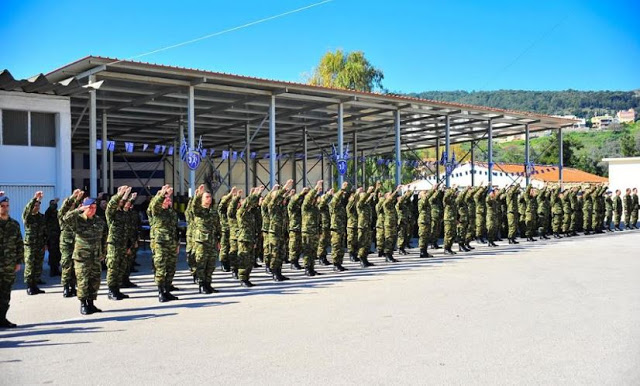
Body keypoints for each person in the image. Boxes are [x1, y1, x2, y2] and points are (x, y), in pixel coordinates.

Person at [62, 196, 108, 315]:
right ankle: (83, 304)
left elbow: (104, 237)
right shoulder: (78, 220)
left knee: (94, 281)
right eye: (90, 208)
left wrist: (103, 251)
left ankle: (91, 303)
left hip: (96, 256)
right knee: (83, 281)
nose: (92, 210)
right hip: (82, 256)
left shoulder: (99, 221)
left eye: (94, 208)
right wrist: (80, 209)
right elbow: (65, 218)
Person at [149, 185, 179, 302]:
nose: (168, 200)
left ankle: (167, 290)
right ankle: (161, 292)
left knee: (171, 267)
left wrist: (176, 243)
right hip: (160, 243)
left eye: (169, 199)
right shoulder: (156, 211)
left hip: (171, 243)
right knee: (160, 267)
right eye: (166, 199)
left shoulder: (171, 213)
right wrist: (162, 194)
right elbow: (155, 204)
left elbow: (175, 229)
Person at [191, 184, 222, 293]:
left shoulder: (213, 212)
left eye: (210, 197)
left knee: (211, 264)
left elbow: (218, 226)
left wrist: (219, 241)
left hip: (212, 241)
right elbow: (194, 206)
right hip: (202, 242)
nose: (209, 199)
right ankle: (201, 285)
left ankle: (208, 284)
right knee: (201, 264)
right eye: (206, 197)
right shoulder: (199, 211)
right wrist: (198, 195)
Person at [0, 193, 23, 328]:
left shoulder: (14, 224)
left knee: (5, 294)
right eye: (2, 206)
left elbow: (19, 243)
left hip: (8, 266)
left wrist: (18, 261)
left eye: (7, 206)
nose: (5, 208)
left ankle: (2, 318)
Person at [105, 186, 132, 300]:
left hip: (123, 244)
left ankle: (117, 289)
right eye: (120, 200)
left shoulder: (123, 213)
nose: (122, 201)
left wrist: (126, 194)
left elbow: (124, 203)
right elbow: (112, 204)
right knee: (113, 267)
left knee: (121, 267)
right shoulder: (112, 213)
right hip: (114, 244)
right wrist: (120, 194)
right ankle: (111, 290)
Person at [237, 186, 263, 286]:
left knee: (250, 260)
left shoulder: (251, 213)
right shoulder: (241, 212)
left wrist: (258, 194)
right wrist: (255, 194)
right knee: (244, 259)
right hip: (244, 239)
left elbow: (255, 205)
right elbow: (248, 203)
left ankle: (247, 277)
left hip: (251, 239)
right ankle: (243, 278)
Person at [59, 189, 83, 297]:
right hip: (66, 243)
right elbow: (66, 207)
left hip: (76, 242)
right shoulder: (62, 214)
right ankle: (65, 287)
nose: (72, 206)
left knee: (75, 266)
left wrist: (78, 199)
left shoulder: (76, 214)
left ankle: (73, 286)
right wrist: (73, 197)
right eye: (70, 204)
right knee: (66, 265)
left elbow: (77, 207)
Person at [23, 191, 47, 295]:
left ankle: (35, 285)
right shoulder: (28, 217)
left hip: (40, 244)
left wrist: (46, 243)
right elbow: (27, 210)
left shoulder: (41, 217)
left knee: (38, 265)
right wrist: (34, 199)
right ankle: (29, 286)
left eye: (38, 205)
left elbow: (45, 231)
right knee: (30, 265)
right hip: (30, 245)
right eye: (35, 205)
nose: (36, 207)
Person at [301, 181, 323, 275]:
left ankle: (312, 268)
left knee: (313, 251)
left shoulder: (315, 208)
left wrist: (320, 232)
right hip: (307, 232)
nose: (315, 199)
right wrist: (316, 188)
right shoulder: (306, 207)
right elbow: (307, 199)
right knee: (307, 251)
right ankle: (307, 268)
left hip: (314, 232)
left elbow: (319, 221)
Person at [330, 181, 350, 271]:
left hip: (341, 227)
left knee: (341, 247)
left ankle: (339, 263)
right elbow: (335, 199)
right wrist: (342, 189)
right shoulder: (333, 205)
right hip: (336, 228)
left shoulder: (341, 206)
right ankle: (335, 264)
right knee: (336, 246)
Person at [44, 198, 61, 277]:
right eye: (53, 204)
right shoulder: (48, 213)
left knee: (58, 253)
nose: (54, 205)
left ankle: (56, 269)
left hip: (58, 236)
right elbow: (50, 209)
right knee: (52, 254)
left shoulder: (58, 213)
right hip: (51, 237)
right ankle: (52, 270)